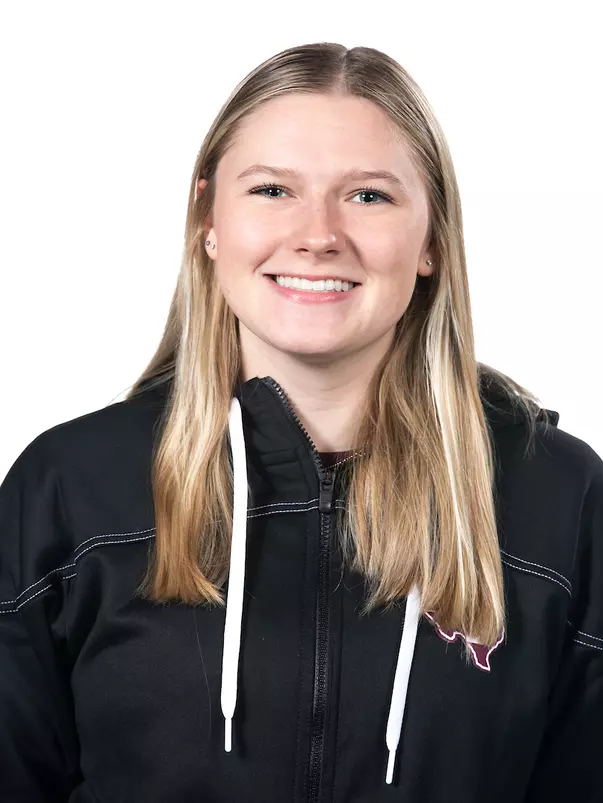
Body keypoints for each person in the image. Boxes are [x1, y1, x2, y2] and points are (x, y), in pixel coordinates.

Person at [1, 41, 601, 803]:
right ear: (208, 220)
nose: (317, 234)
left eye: (368, 196)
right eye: (273, 190)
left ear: (431, 242)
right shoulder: (73, 488)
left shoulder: (557, 496)